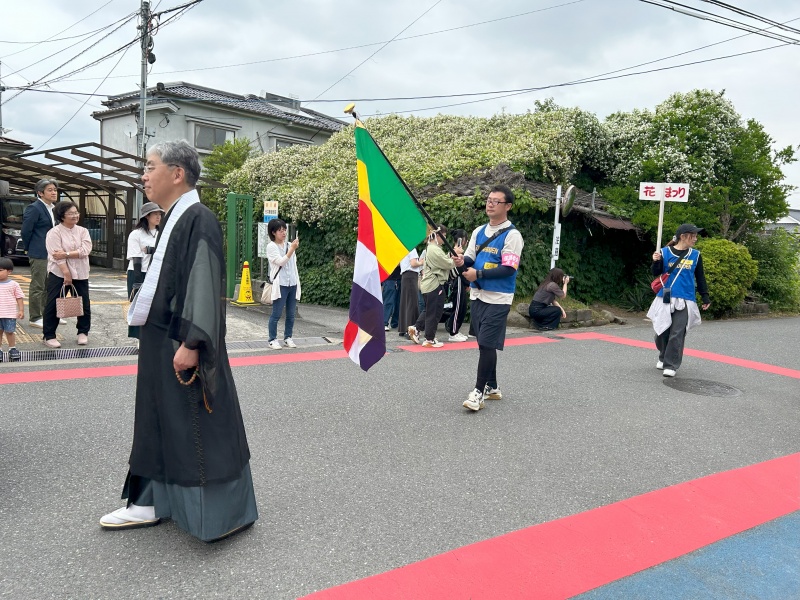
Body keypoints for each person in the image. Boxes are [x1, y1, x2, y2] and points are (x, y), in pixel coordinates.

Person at [101, 140, 257, 542]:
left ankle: (215, 512)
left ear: (177, 173)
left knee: (194, 423)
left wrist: (193, 342)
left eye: (150, 166)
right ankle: (150, 501)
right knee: (158, 417)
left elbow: (203, 281)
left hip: (180, 342)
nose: (143, 175)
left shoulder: (198, 217)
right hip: (162, 338)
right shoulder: (175, 217)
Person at [453, 185, 524, 411]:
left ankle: (478, 393)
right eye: (489, 200)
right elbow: (470, 259)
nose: (490, 204)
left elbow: (509, 268)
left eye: (496, 201)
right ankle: (492, 386)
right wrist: (461, 261)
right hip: (478, 295)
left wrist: (479, 274)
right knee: (485, 343)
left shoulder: (512, 235)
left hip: (499, 297)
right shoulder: (478, 231)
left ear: (508, 206)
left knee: (485, 343)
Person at [647, 223, 711, 378]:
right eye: (693, 236)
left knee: (677, 332)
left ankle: (671, 364)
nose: (695, 239)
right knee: (662, 331)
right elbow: (655, 272)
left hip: (686, 298)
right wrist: (656, 261)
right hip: (665, 297)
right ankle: (663, 356)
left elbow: (700, 277)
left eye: (696, 236)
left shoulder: (696, 255)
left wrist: (705, 296)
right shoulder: (664, 252)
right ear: (683, 236)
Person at [42, 201, 92, 349]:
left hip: (81, 272)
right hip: (58, 273)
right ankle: (49, 335)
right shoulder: (54, 233)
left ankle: (83, 332)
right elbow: (56, 256)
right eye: (71, 213)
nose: (75, 215)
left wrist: (66, 253)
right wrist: (66, 274)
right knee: (53, 303)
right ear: (61, 216)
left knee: (84, 303)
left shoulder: (83, 231)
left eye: (76, 212)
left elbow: (85, 250)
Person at [409, 225, 458, 348]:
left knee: (429, 310)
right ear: (437, 235)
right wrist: (456, 257)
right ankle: (429, 339)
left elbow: (443, 260)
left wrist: (451, 255)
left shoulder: (431, 248)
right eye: (444, 236)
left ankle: (417, 328)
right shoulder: (434, 249)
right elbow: (447, 264)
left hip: (429, 284)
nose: (445, 239)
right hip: (434, 284)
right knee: (434, 312)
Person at [21, 179, 58, 329]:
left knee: (50, 285)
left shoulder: (53, 208)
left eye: (55, 189)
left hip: (52, 252)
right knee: (38, 285)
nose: (54, 192)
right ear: (40, 193)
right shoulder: (34, 208)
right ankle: (35, 317)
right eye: (50, 190)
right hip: (39, 251)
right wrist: (30, 248)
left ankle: (47, 314)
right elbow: (26, 231)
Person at [126, 202, 163, 339]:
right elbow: (136, 257)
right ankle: (139, 337)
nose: (158, 217)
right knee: (138, 306)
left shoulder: (161, 233)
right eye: (155, 214)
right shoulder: (136, 234)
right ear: (147, 216)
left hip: (157, 273)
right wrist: (137, 281)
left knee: (156, 306)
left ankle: (153, 336)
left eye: (159, 214)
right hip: (138, 272)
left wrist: (151, 250)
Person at [266, 218, 301, 350]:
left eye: (285, 230)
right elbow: (281, 262)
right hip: (280, 284)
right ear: (273, 232)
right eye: (280, 231)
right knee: (276, 314)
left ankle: (288, 337)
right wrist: (292, 249)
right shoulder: (271, 247)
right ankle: (272, 339)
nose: (284, 233)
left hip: (292, 282)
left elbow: (293, 265)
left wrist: (297, 281)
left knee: (291, 314)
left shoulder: (289, 245)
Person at [443, 228, 470, 342]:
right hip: (457, 281)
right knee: (458, 307)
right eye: (466, 240)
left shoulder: (455, 252)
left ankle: (456, 330)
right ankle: (453, 333)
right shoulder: (454, 253)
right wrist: (467, 282)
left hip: (460, 282)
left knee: (461, 307)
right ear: (462, 240)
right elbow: (459, 270)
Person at [0, 258, 25, 362]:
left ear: (9, 271)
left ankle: (12, 348)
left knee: (10, 332)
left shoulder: (14, 284)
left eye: (0, 270)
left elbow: (19, 297)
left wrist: (21, 310)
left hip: (9, 314)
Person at [397, 248, 423, 338]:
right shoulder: (412, 249)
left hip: (405, 275)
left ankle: (403, 328)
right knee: (412, 303)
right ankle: (410, 330)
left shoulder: (403, 249)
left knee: (405, 302)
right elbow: (413, 263)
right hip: (411, 275)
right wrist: (421, 262)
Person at [382, 265, 401, 331]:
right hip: (389, 278)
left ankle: (395, 322)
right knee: (388, 301)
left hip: (399, 277)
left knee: (398, 302)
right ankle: (384, 323)